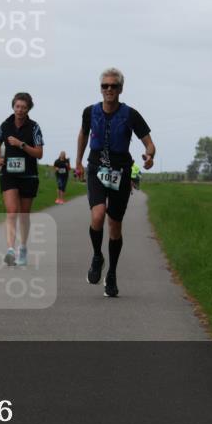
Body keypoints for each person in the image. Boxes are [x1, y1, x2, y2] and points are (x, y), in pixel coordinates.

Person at [74, 69, 155, 298]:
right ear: (100, 88)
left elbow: (149, 143)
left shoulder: (131, 115)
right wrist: (78, 160)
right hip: (96, 168)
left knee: (115, 226)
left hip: (121, 171)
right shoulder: (90, 112)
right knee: (98, 215)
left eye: (114, 86)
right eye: (105, 86)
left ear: (121, 89)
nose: (109, 90)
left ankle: (112, 274)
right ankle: (97, 256)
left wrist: (149, 156)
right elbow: (83, 134)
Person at [0, 92, 44, 266]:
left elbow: (39, 153)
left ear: (28, 109)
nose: (20, 110)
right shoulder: (5, 125)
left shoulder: (34, 127)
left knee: (23, 214)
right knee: (12, 211)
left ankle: (22, 247)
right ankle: (10, 250)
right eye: (17, 106)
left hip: (28, 175)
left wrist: (21, 145)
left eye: (24, 107)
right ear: (13, 106)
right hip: (9, 175)